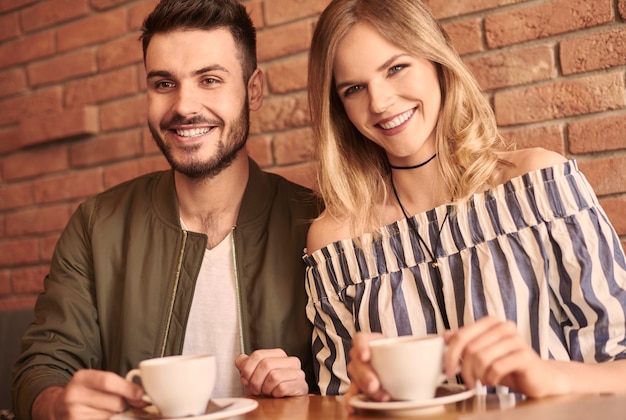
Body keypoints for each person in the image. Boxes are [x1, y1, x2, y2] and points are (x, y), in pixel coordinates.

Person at [303, 0, 626, 407]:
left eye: (396, 67)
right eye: (353, 89)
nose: (380, 102)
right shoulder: (336, 245)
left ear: (437, 61)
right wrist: (361, 394)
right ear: (340, 110)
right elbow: (337, 402)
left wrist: (548, 374)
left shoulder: (537, 187)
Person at [11, 0, 321, 418]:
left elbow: (355, 377)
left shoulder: (318, 223)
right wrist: (56, 403)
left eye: (209, 79)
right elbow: (41, 366)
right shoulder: (96, 224)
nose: (184, 106)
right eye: (163, 84)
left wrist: (307, 390)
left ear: (253, 90)